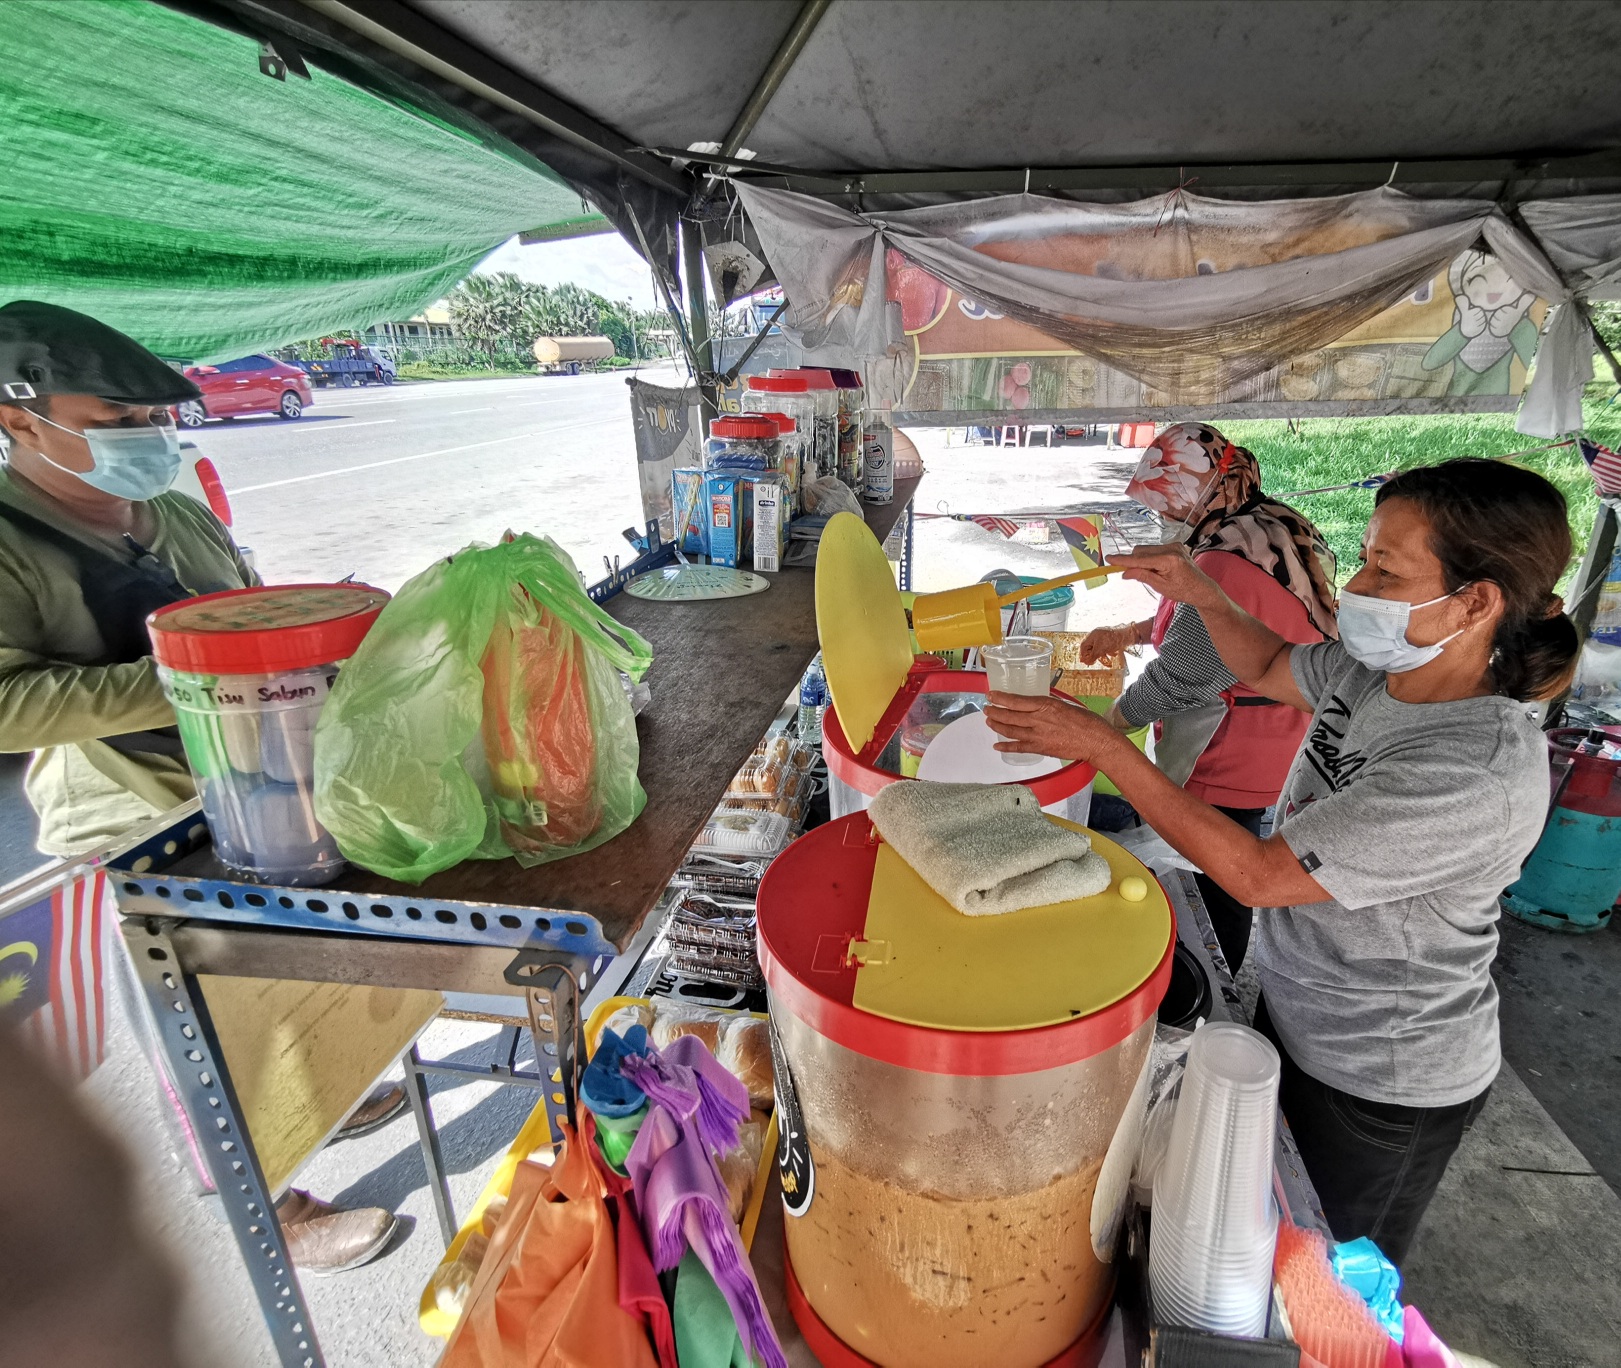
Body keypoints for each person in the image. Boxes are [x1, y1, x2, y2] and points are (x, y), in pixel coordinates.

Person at [988, 458, 1575, 1264]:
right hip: (1299, 1006)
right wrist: (1201, 594)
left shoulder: (1470, 770)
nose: (1356, 585)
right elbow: (1265, 665)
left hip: (1378, 1073)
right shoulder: (1379, 677)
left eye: (1385, 571)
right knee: (1257, 1231)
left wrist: (1104, 746)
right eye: (1363, 557)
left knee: (1323, 1274)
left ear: (1475, 602)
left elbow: (1258, 876)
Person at [0, 300, 403, 1274]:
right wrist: (195, 676)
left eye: (155, 420)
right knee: (195, 1020)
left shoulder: (175, 513)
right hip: (126, 813)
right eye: (117, 422)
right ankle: (264, 1207)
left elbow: (244, 608)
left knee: (285, 969)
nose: (147, 438)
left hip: (239, 779)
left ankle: (327, 1100)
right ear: (21, 421)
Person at [1076, 423, 1339, 972]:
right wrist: (1127, 634)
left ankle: (1214, 983)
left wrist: (1108, 726)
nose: (1164, 519)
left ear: (1205, 493)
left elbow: (1184, 673)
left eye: (1170, 505)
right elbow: (1209, 622)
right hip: (1282, 734)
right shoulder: (1266, 525)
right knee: (1227, 858)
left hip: (1231, 749)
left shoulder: (1225, 561)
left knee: (1218, 877)